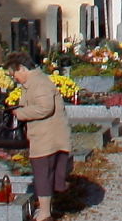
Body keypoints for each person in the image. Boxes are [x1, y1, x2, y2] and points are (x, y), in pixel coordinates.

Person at [11, 53, 73, 220]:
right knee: (45, 174)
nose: (14, 78)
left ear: (22, 69)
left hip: (47, 137)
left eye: (14, 73)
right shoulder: (35, 82)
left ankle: (45, 214)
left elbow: (45, 108)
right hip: (46, 135)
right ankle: (46, 209)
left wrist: (20, 113)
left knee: (42, 175)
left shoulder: (38, 83)